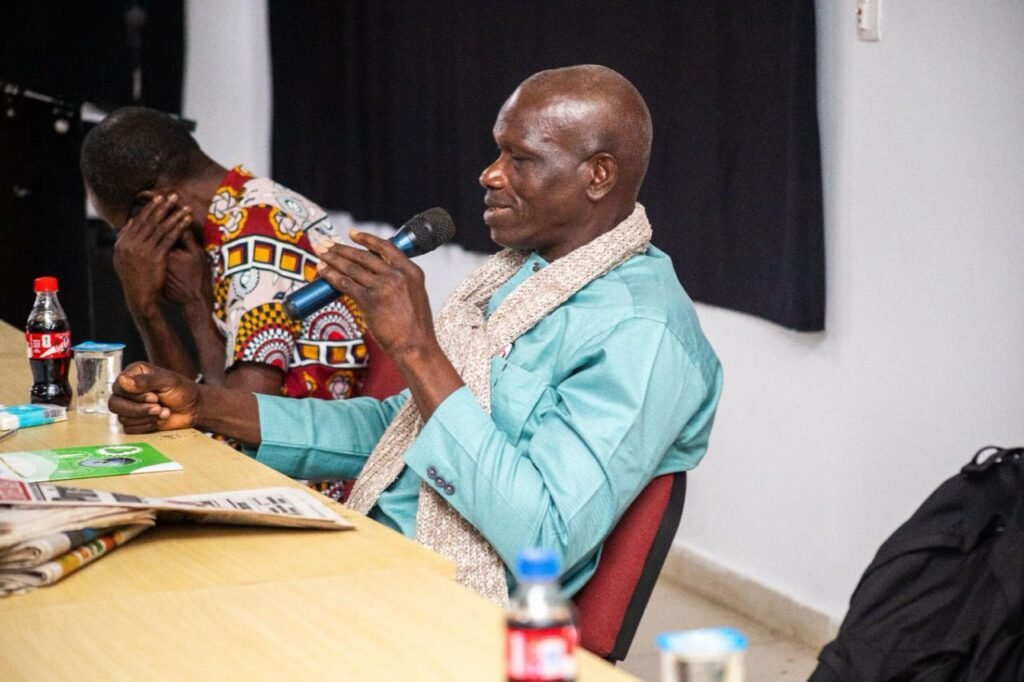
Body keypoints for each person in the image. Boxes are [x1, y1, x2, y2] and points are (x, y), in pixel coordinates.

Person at [109, 65, 723, 603]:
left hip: (451, 604)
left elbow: (545, 538)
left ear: (599, 175)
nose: (490, 174)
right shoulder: (518, 281)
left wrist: (415, 347)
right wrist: (205, 407)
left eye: (521, 159)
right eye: (496, 151)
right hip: (369, 551)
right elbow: (397, 434)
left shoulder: (643, 333)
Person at [80, 107, 371, 403]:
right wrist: (178, 304)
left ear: (152, 204)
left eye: (127, 230)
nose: (131, 249)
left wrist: (147, 307)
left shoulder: (257, 236)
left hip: (300, 441)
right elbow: (200, 402)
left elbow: (245, 418)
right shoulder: (242, 204)